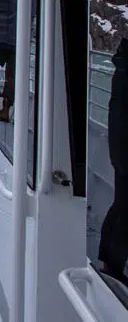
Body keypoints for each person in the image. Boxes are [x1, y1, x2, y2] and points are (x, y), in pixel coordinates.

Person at [99, 38, 128, 289]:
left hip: (121, 143)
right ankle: (112, 266)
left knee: (122, 202)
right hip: (124, 145)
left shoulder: (122, 70)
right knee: (124, 205)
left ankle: (110, 263)